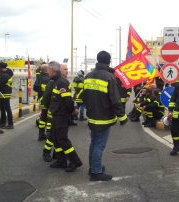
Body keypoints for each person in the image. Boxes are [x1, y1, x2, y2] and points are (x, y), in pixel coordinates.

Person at [82, 51, 128, 181]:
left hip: (92, 115)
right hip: (104, 116)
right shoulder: (109, 77)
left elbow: (84, 96)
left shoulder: (89, 75)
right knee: (100, 144)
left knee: (94, 142)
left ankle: (93, 167)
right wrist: (122, 118)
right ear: (109, 61)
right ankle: (96, 172)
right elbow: (115, 99)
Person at [48, 61, 83, 172]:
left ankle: (75, 161)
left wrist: (72, 110)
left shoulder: (62, 82)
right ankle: (61, 161)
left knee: (62, 140)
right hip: (56, 114)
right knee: (56, 139)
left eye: (49, 70)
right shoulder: (56, 81)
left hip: (61, 116)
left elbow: (68, 100)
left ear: (52, 70)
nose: (48, 72)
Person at [0, 62, 14, 129]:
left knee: (7, 109)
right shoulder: (7, 73)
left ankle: (10, 123)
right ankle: (3, 122)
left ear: (1, 68)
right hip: (4, 93)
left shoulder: (4, 75)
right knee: (2, 108)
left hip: (4, 93)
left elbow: (0, 84)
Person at [36, 64, 51, 141]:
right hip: (47, 100)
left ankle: (41, 134)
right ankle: (49, 134)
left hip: (41, 99)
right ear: (46, 70)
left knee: (43, 117)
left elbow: (35, 88)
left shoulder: (39, 78)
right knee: (49, 118)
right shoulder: (48, 79)